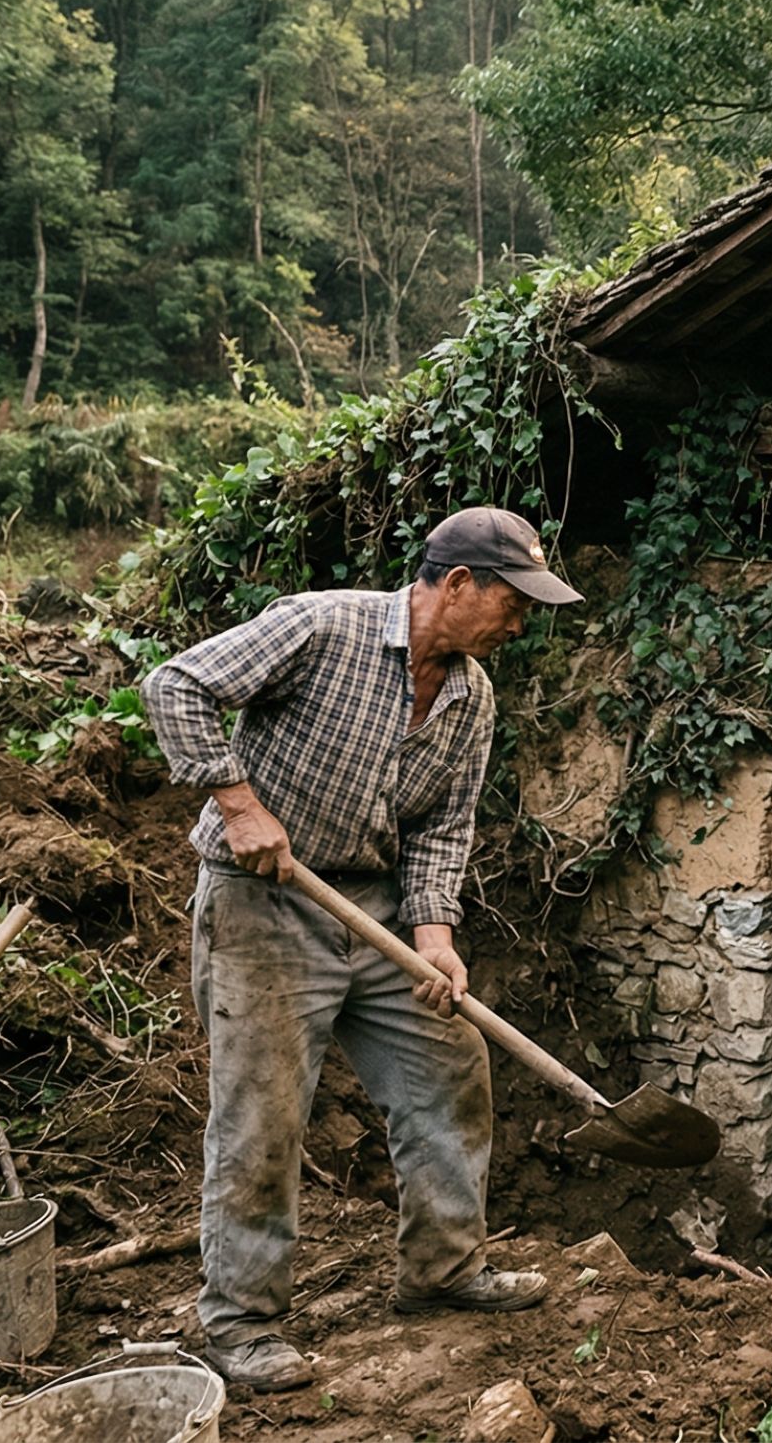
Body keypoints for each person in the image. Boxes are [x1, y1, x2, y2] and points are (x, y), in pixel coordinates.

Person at [142, 506, 584, 1392]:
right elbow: (174, 685)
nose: (520, 622)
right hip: (263, 904)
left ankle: (443, 1271)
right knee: (263, 1113)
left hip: (373, 905)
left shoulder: (471, 694)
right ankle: (241, 1323)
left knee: (451, 1068)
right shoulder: (320, 624)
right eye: (512, 601)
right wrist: (236, 801)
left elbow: (443, 824)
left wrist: (436, 937)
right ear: (457, 584)